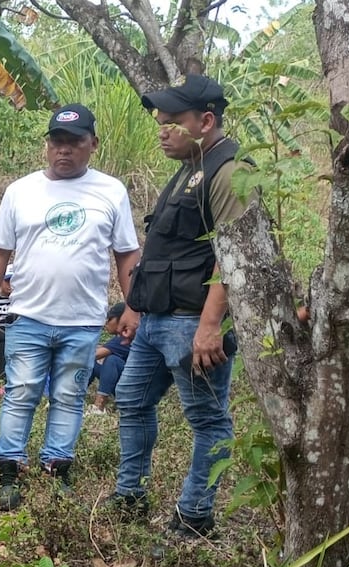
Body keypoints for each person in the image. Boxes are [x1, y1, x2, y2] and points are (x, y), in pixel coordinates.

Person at [0, 104, 140, 511]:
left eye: (74, 142)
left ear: (93, 145)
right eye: (57, 142)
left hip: (83, 321)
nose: (63, 151)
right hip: (28, 315)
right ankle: (9, 470)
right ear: (47, 145)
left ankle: (57, 468)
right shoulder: (21, 191)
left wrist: (134, 306)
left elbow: (126, 256)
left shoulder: (111, 191)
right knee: (21, 392)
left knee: (69, 396)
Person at [112, 75, 249, 538]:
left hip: (193, 321)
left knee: (209, 421)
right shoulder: (190, 166)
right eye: (160, 122)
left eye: (173, 122)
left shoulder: (228, 170)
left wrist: (211, 324)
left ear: (206, 121)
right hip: (156, 319)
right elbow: (162, 249)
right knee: (130, 400)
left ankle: (194, 517)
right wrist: (135, 307)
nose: (162, 130)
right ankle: (129, 495)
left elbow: (236, 256)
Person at [87, 302, 130, 413]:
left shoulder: (126, 339)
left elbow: (93, 355)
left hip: (134, 387)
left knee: (111, 361)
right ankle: (72, 394)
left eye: (110, 318)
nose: (106, 323)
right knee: (90, 364)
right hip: (125, 380)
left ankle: (99, 406)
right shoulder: (121, 338)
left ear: (122, 319)